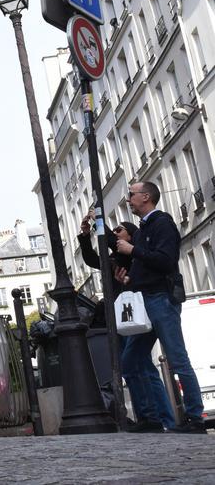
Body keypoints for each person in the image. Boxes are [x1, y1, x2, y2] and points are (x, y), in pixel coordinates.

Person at [115, 181, 207, 435]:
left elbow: (166, 261)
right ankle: (150, 418)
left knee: (178, 360)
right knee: (131, 361)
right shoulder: (145, 228)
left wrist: (133, 250)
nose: (128, 199)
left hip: (161, 299)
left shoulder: (162, 224)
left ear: (146, 197)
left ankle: (194, 418)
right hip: (145, 299)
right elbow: (148, 265)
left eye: (131, 195)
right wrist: (128, 279)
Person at [76, 209, 176, 431]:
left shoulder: (132, 254)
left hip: (133, 315)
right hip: (120, 317)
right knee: (132, 367)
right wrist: (85, 236)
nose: (114, 232)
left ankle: (162, 418)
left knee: (143, 368)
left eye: (119, 229)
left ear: (130, 236)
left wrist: (98, 220)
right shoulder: (115, 258)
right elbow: (93, 258)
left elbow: (111, 243)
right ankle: (148, 417)